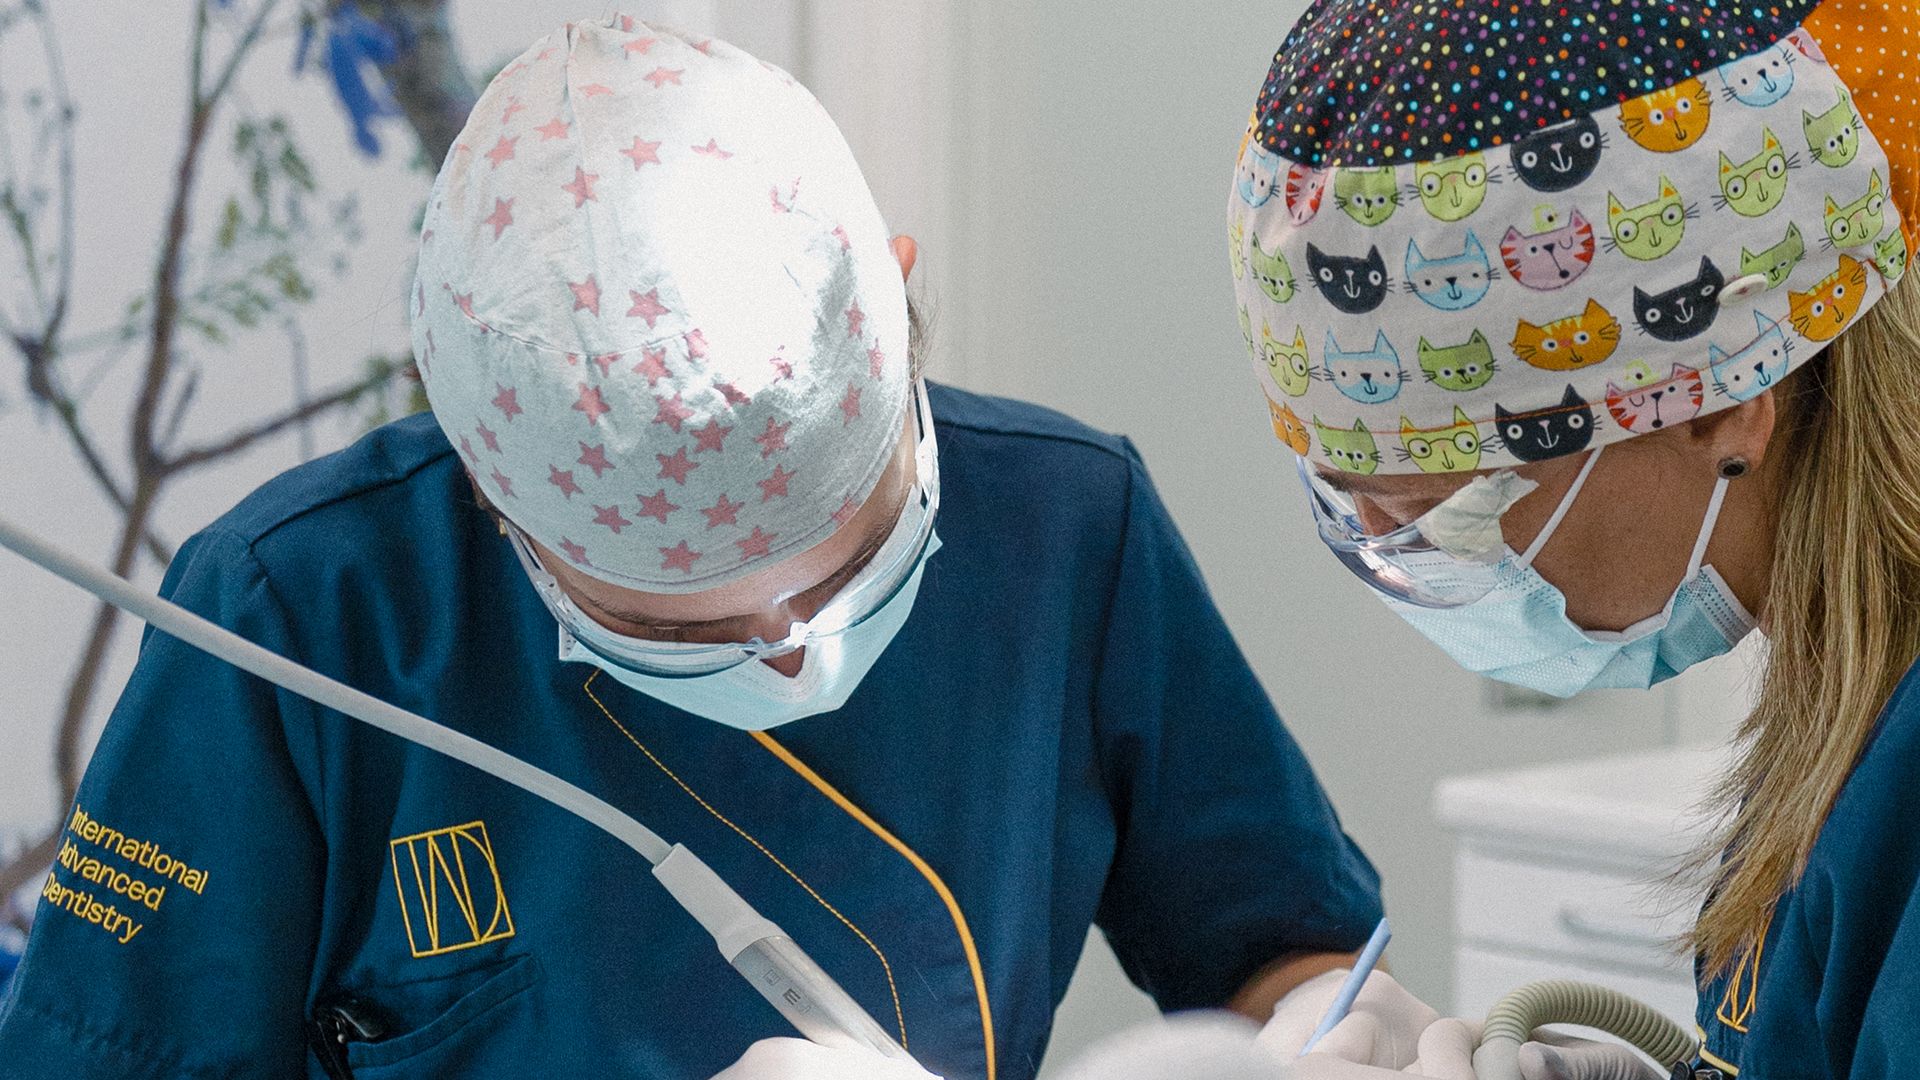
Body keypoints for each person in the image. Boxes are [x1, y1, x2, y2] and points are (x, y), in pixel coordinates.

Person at [0, 17, 1390, 1080]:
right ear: (493, 494)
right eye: (680, 627)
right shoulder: (291, 619)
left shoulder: (1064, 526)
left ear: (903, 319)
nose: (789, 648)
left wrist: (1337, 1031)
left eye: (848, 564)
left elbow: (1275, 940)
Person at [1225, 0, 1920, 1075]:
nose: (1403, 558)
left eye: (1434, 513)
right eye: (1346, 501)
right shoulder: (1853, 702)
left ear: (1719, 407)